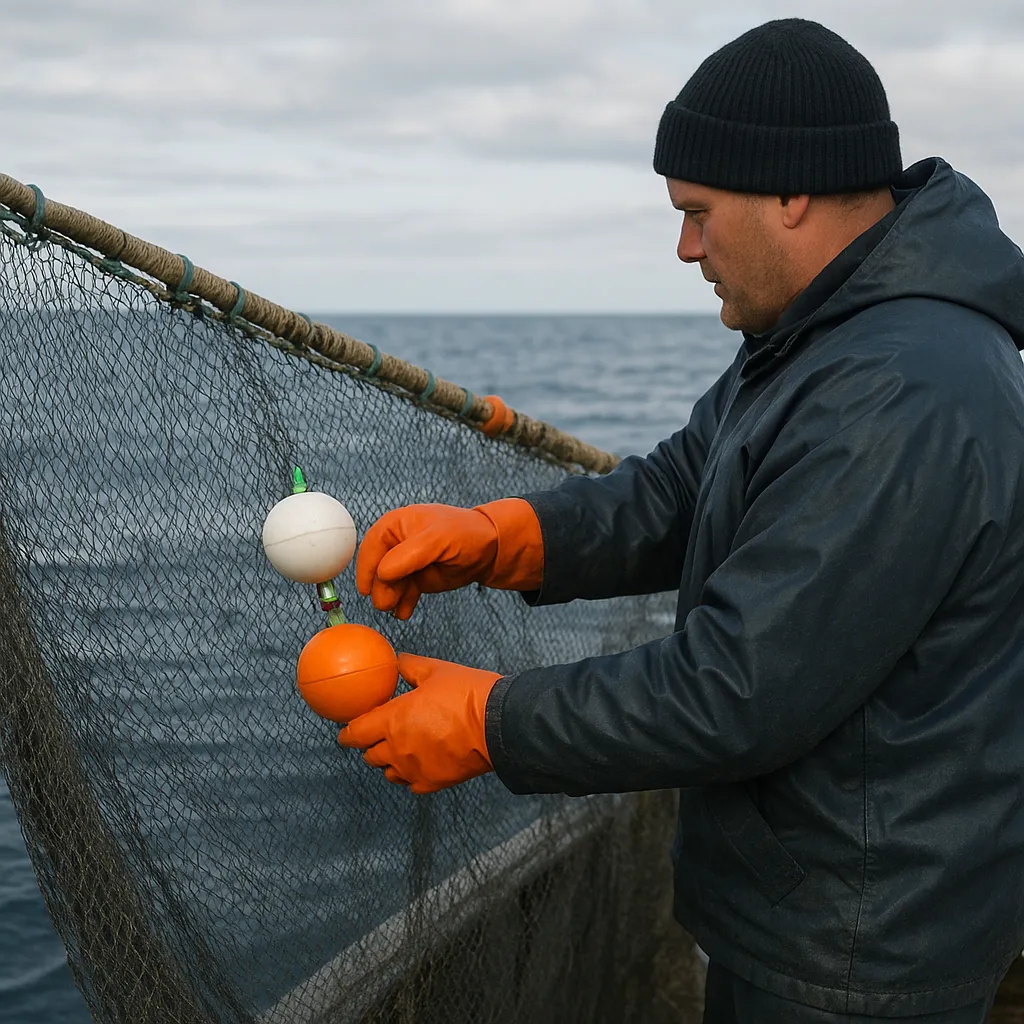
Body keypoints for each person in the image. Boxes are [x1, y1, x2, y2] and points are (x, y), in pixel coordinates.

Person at [338, 18, 1024, 1023]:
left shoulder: (903, 386)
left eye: (698, 212)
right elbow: (677, 489)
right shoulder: (823, 331)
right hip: (806, 905)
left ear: (789, 192)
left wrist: (489, 721)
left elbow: (740, 689)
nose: (684, 246)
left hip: (859, 951)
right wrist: (503, 535)